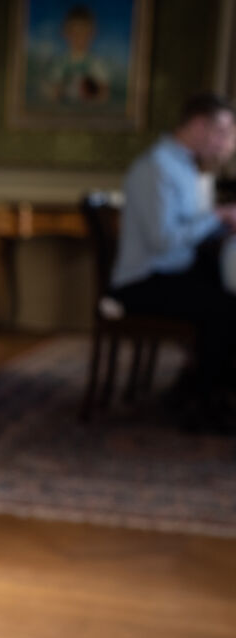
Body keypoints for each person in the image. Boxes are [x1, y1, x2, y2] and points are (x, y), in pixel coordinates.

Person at [112, 92, 236, 429]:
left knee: (225, 293)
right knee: (223, 309)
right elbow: (163, 241)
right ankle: (203, 403)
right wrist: (218, 217)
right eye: (223, 132)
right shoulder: (157, 167)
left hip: (171, 272)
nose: (227, 142)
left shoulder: (187, 167)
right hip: (142, 281)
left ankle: (196, 386)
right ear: (198, 126)